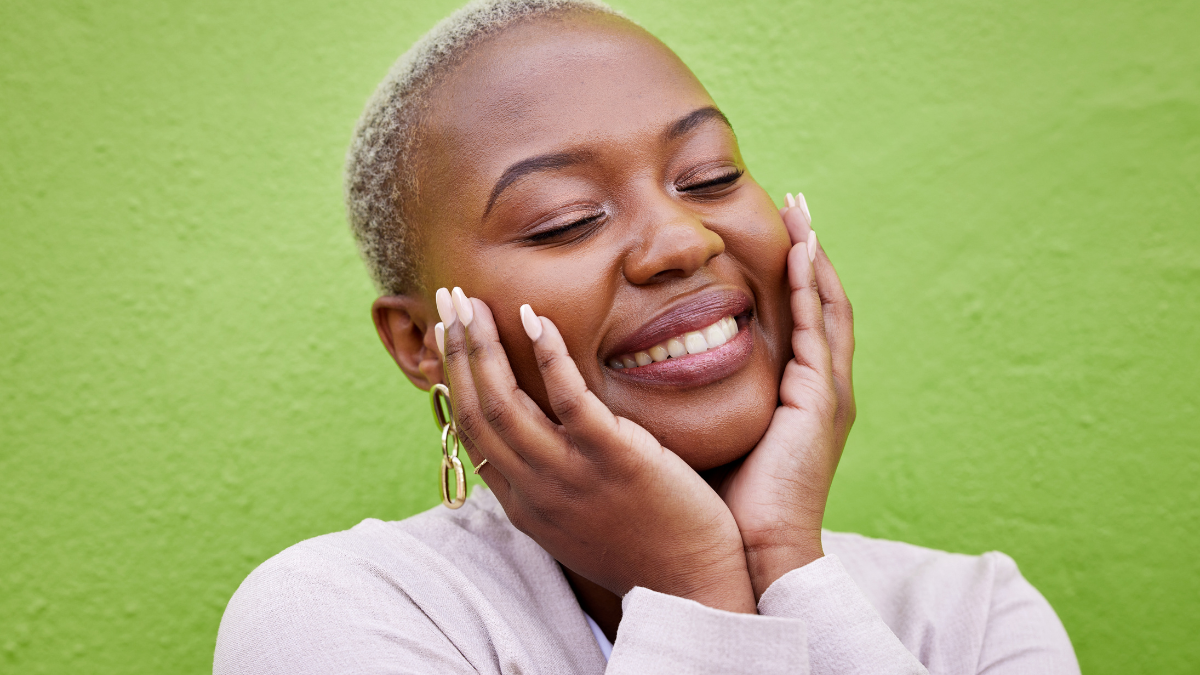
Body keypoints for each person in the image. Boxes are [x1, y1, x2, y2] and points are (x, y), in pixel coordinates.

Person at [214, 0, 1080, 672]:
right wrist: (696, 588)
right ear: (420, 341)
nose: (681, 241)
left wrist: (786, 564)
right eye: (563, 221)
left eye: (711, 176)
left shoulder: (973, 615)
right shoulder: (338, 611)